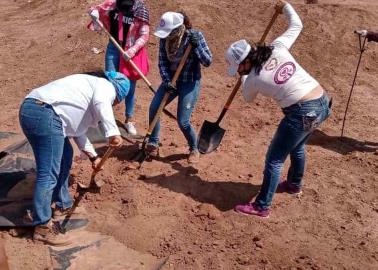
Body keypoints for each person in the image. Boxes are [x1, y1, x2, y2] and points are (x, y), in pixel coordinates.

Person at [226, 0, 331, 218]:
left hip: (301, 111)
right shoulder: (277, 46)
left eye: (238, 68)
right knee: (297, 146)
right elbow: (297, 25)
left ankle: (262, 206)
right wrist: (285, 7)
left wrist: (245, 76)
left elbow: (246, 98)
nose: (237, 71)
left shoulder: (253, 78)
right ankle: (294, 184)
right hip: (321, 101)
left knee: (274, 159)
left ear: (245, 62)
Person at [19, 71, 129, 245]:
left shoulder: (85, 93)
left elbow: (79, 132)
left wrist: (94, 158)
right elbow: (103, 102)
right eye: (115, 102)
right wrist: (113, 133)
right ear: (118, 96)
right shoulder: (104, 87)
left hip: (40, 111)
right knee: (48, 173)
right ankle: (42, 227)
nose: (114, 104)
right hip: (44, 112)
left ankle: (62, 204)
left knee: (65, 155)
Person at [146, 11, 212, 164]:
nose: (167, 36)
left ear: (177, 28)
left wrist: (196, 47)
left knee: (183, 121)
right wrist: (167, 80)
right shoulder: (165, 39)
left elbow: (207, 61)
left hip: (189, 81)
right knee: (154, 107)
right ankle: (153, 142)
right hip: (171, 81)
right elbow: (162, 62)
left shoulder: (194, 36)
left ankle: (194, 148)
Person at [89, 0, 150, 135]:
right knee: (108, 83)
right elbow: (96, 10)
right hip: (113, 46)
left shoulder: (141, 10)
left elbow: (144, 35)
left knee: (130, 86)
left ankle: (129, 119)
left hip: (130, 50)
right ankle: (105, 119)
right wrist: (94, 14)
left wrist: (133, 50)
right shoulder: (112, 4)